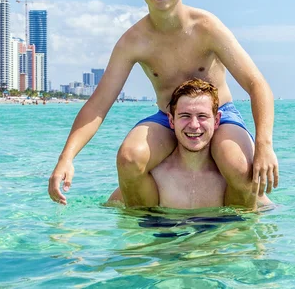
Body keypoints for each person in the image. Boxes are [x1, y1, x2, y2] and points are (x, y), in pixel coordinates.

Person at [49, 0, 278, 208]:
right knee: (129, 157)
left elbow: (256, 84)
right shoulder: (133, 41)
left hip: (219, 115)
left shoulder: (207, 27)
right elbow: (99, 104)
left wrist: (264, 145)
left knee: (239, 166)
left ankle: (233, 227)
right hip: (168, 119)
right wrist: (66, 157)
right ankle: (149, 228)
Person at [107, 78, 272, 209]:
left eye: (202, 116)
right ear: (171, 121)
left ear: (217, 121)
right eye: (185, 116)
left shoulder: (234, 180)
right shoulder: (155, 177)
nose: (194, 125)